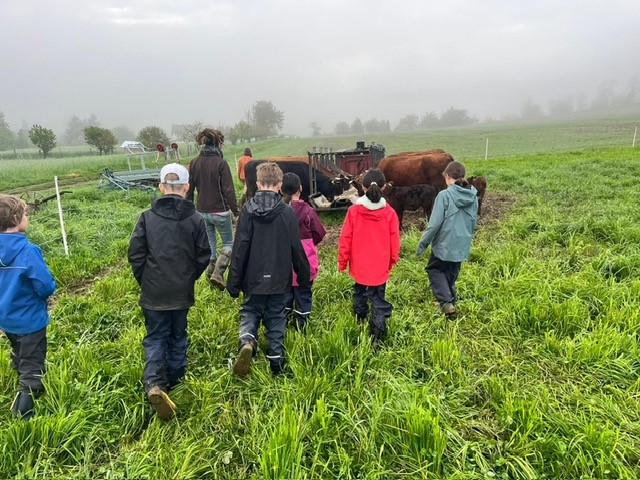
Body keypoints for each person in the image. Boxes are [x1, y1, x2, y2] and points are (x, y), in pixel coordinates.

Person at [128, 163, 211, 420]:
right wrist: (188, 278)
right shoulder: (196, 219)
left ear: (161, 187)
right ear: (187, 188)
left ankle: (154, 384)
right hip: (181, 291)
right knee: (178, 335)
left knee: (155, 337)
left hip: (153, 291)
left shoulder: (146, 217)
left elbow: (136, 254)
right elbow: (203, 256)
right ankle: (175, 380)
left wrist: (146, 279)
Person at [227, 163, 310, 377]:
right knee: (276, 317)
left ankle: (247, 341)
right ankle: (276, 362)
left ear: (256, 183)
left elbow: (240, 248)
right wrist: (303, 275)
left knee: (250, 311)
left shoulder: (247, 211)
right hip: (279, 279)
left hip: (252, 278)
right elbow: (295, 247)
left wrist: (233, 282)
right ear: (280, 185)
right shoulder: (287, 213)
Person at [0, 195, 56, 420]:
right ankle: (24, 413)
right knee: (33, 360)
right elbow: (44, 285)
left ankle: (21, 370)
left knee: (19, 348)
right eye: (25, 214)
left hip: (6, 316)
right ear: (16, 218)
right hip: (29, 318)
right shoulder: (28, 251)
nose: (27, 217)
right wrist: (46, 293)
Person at [338, 169, 400, 349]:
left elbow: (345, 239)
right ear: (383, 187)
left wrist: (343, 262)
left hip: (360, 266)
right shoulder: (389, 213)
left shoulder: (353, 211)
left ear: (363, 187)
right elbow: (395, 241)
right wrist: (391, 261)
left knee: (359, 291)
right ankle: (377, 333)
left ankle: (360, 318)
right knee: (378, 297)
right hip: (380, 266)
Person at [416, 161, 478, 316]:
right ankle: (450, 300)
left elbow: (434, 224)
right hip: (462, 241)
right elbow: (473, 221)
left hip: (444, 243)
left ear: (448, 177)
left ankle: (446, 302)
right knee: (451, 271)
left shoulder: (444, 195)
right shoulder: (473, 195)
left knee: (434, 269)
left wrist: (422, 244)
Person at [186, 128, 238, 290]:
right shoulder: (221, 163)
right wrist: (235, 211)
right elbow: (228, 190)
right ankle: (218, 273)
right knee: (229, 242)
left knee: (211, 244)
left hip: (201, 211)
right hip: (220, 210)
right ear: (218, 143)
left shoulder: (194, 163)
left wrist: (189, 208)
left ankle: (210, 273)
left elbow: (190, 189)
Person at [280, 172, 326, 332]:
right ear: (300, 188)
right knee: (303, 293)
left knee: (285, 295)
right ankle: (301, 324)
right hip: (305, 262)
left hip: (283, 264)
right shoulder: (308, 211)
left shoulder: (278, 212)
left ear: (281, 190)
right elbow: (319, 233)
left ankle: (283, 321)